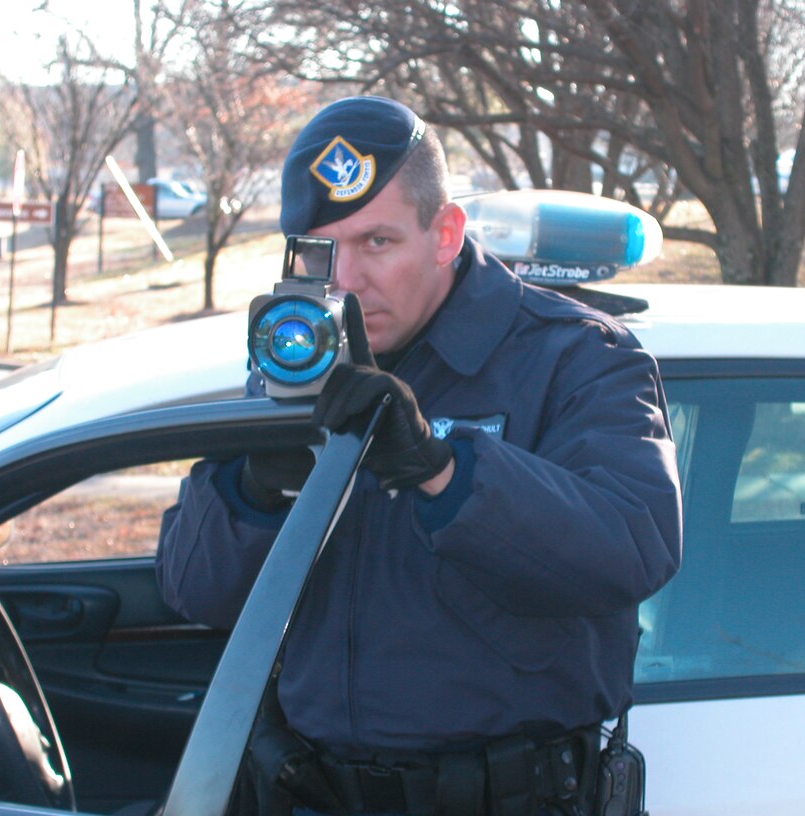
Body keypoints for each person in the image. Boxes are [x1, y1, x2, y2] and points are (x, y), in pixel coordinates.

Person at [156, 95, 682, 816]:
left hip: (508, 798)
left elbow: (633, 547)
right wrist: (258, 489)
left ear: (445, 233)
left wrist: (443, 470)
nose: (344, 278)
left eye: (376, 242)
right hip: (315, 791)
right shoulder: (296, 366)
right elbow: (194, 591)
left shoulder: (574, 355)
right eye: (319, 247)